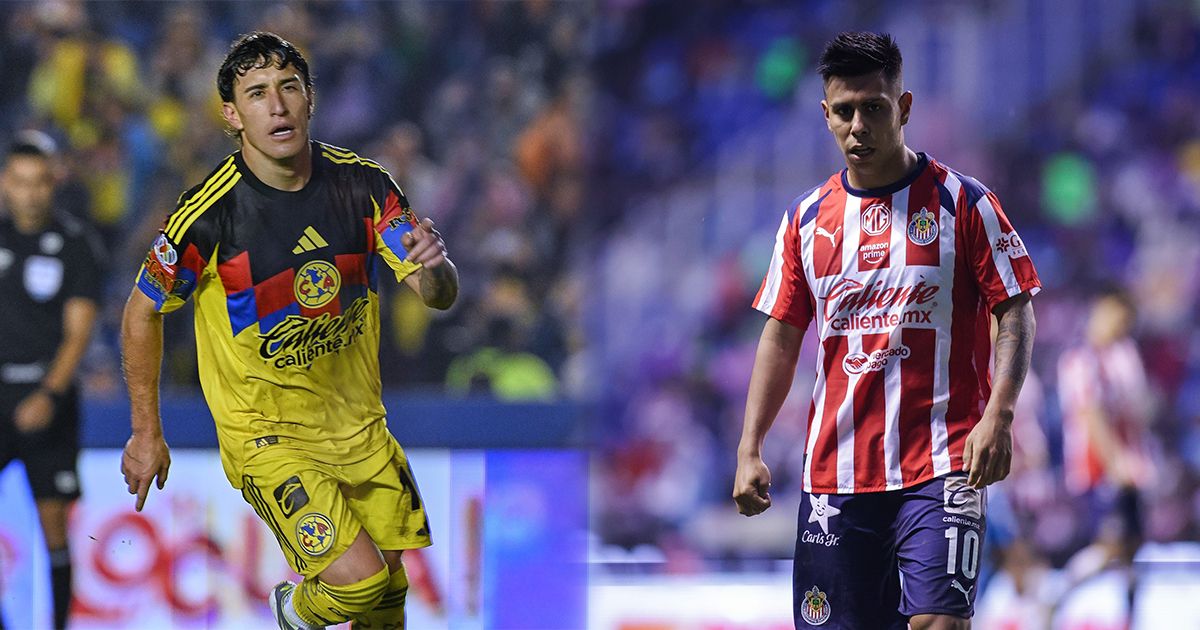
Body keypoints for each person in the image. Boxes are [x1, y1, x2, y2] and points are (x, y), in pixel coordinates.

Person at [119, 32, 459, 630]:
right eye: (256, 94)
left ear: (310, 99)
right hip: (267, 434)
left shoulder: (365, 186)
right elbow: (140, 312)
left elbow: (438, 295)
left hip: (361, 426)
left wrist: (435, 268)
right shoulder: (207, 215)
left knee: (389, 596)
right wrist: (147, 433)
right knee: (359, 582)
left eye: (289, 88)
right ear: (232, 115)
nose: (276, 106)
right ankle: (292, 611)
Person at [732, 32, 1040, 630]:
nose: (858, 126)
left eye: (873, 107)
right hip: (836, 474)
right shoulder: (804, 222)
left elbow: (1015, 310)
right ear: (825, 115)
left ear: (903, 107)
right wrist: (750, 448)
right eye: (844, 111)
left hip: (944, 462)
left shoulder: (964, 204)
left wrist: (999, 415)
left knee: (939, 623)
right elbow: (781, 336)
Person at [0, 131, 101, 630]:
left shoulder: (75, 245)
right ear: (5, 183)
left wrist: (49, 394)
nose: (30, 193)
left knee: (54, 524)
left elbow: (78, 334)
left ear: (53, 183)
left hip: (49, 397)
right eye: (20, 182)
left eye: (39, 182)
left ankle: (57, 626)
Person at [1056, 286, 1154, 624]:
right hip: (1098, 470)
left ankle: (1127, 617)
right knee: (1107, 545)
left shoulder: (1123, 355)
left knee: (1132, 547)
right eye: (1116, 317)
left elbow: (1139, 411)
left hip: (1130, 468)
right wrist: (1114, 464)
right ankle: (1058, 599)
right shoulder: (1081, 359)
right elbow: (1090, 414)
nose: (1120, 326)